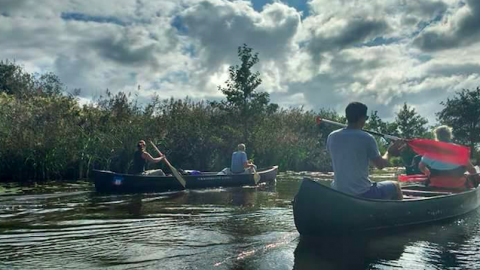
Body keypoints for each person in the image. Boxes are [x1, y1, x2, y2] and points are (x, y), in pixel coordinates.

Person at [327, 102, 404, 200]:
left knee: (371, 183)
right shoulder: (367, 138)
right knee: (396, 185)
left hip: (338, 191)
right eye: (366, 118)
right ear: (362, 118)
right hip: (362, 192)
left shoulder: (332, 136)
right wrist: (389, 152)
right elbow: (380, 165)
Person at [418, 125, 479, 190]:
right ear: (449, 136)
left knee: (428, 182)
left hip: (436, 185)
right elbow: (472, 170)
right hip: (457, 185)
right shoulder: (459, 150)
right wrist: (477, 180)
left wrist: (428, 173)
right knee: (470, 179)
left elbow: (421, 166)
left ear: (437, 137)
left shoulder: (431, 151)